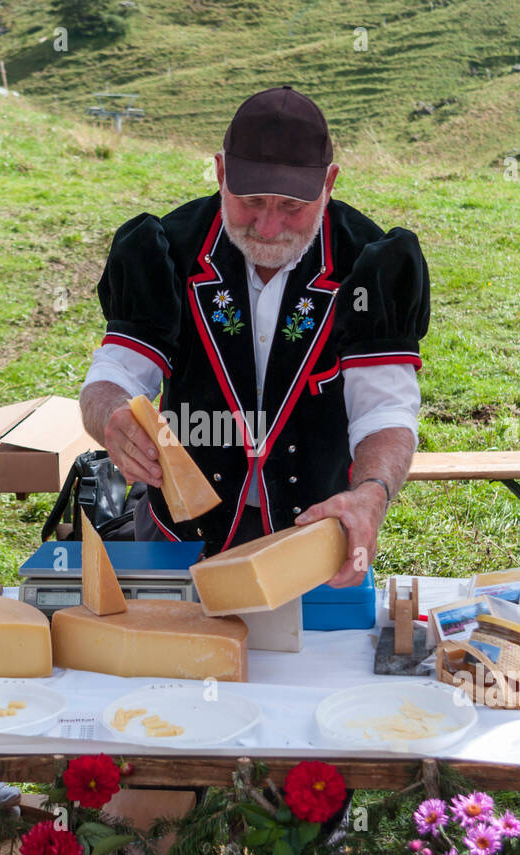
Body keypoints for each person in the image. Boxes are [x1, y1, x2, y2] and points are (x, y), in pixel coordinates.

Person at [80, 86, 430, 585]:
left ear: (328, 183)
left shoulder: (369, 264)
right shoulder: (166, 250)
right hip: (177, 536)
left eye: (292, 205)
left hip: (316, 537)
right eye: (250, 201)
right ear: (221, 173)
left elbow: (384, 411)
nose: (268, 225)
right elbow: (115, 374)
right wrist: (111, 416)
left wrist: (371, 492)